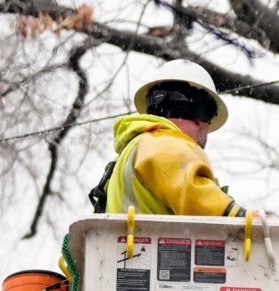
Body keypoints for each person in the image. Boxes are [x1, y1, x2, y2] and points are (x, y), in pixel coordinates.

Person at [97, 59, 246, 217]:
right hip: (142, 240)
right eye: (210, 115)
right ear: (197, 113)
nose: (208, 127)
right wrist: (242, 218)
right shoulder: (164, 143)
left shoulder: (137, 148)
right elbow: (195, 196)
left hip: (134, 238)